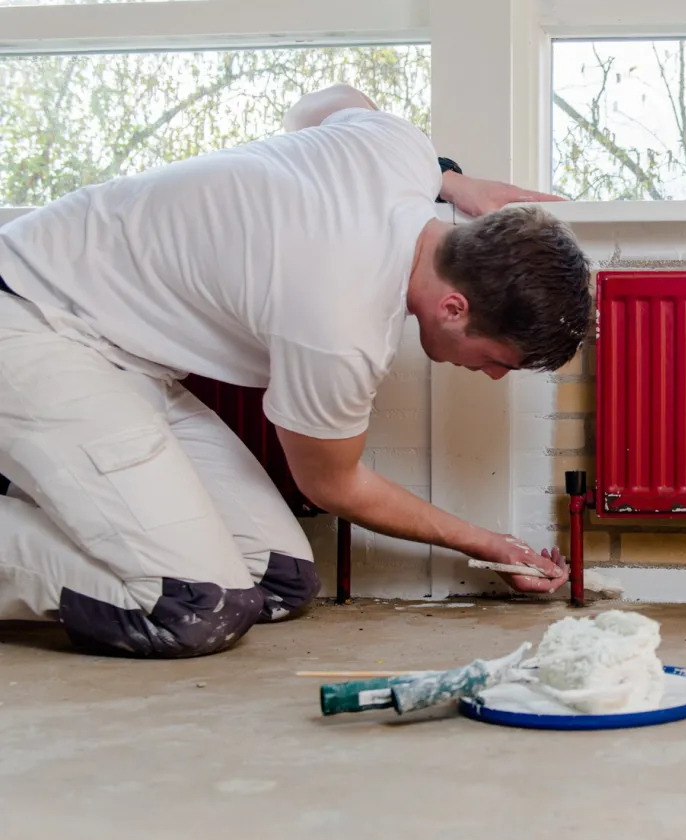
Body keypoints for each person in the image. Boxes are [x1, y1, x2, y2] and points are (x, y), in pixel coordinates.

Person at [0, 84, 590, 658]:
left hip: (130, 356)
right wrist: (486, 543)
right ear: (454, 307)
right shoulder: (342, 323)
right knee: (190, 609)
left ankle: (49, 481)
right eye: (497, 361)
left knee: (282, 584)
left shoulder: (400, 149)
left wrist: (452, 179)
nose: (488, 376)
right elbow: (333, 484)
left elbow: (325, 103)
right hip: (32, 320)